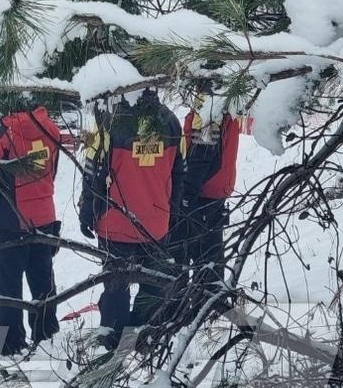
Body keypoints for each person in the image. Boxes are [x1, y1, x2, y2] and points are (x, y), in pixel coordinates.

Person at [79, 90, 184, 349]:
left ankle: (113, 340)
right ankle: (143, 333)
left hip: (116, 226)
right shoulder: (170, 121)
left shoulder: (108, 122)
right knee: (153, 285)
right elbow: (179, 173)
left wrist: (88, 212)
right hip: (156, 225)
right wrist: (173, 213)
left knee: (116, 288)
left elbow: (92, 172)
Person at [0, 105, 65, 356]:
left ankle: (10, 344)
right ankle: (46, 335)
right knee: (43, 280)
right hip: (45, 219)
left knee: (5, 288)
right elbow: (51, 171)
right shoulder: (50, 127)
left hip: (10, 223)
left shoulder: (4, 133)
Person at [171, 98, 240, 297]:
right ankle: (207, 308)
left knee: (186, 255)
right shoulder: (226, 98)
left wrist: (187, 194)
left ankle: (183, 310)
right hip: (214, 190)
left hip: (201, 193)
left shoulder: (210, 104)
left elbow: (202, 152)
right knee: (210, 257)